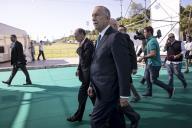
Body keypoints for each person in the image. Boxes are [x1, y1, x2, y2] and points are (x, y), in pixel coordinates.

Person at [88, 6, 138, 128]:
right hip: (99, 88)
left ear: (107, 18)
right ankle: (134, 119)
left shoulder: (116, 37)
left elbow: (123, 68)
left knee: (96, 122)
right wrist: (91, 84)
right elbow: (97, 63)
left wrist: (124, 94)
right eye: (92, 16)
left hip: (109, 91)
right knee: (116, 121)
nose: (93, 18)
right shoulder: (99, 38)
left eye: (97, 15)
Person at [67, 28, 95, 122]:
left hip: (89, 76)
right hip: (85, 75)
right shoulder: (83, 44)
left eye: (76, 34)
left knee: (82, 96)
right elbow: (81, 60)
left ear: (82, 34)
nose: (74, 36)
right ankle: (99, 112)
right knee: (92, 96)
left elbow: (86, 60)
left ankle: (78, 116)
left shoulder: (88, 44)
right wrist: (78, 69)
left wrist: (79, 49)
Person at [138, 26, 174, 98]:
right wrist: (142, 40)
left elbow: (153, 54)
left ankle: (170, 89)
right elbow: (144, 49)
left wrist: (143, 57)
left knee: (153, 80)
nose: (144, 34)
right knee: (147, 78)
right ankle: (149, 92)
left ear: (149, 32)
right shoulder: (149, 40)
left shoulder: (152, 41)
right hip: (150, 63)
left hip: (154, 64)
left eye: (144, 32)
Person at [118, 24, 141, 102]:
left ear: (125, 31)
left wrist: (134, 67)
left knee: (126, 81)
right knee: (127, 81)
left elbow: (133, 54)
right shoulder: (118, 40)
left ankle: (128, 99)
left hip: (127, 66)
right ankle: (136, 96)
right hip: (120, 66)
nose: (120, 32)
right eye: (119, 30)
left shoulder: (128, 41)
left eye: (122, 30)